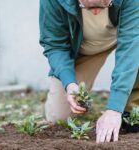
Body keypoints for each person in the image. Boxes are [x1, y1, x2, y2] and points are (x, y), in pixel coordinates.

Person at [39, 0, 139, 143]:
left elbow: (130, 48)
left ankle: (132, 109)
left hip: (131, 36)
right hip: (86, 48)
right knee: (58, 117)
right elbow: (55, 45)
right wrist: (70, 84)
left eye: (104, 5)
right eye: (87, 7)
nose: (97, 12)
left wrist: (114, 109)